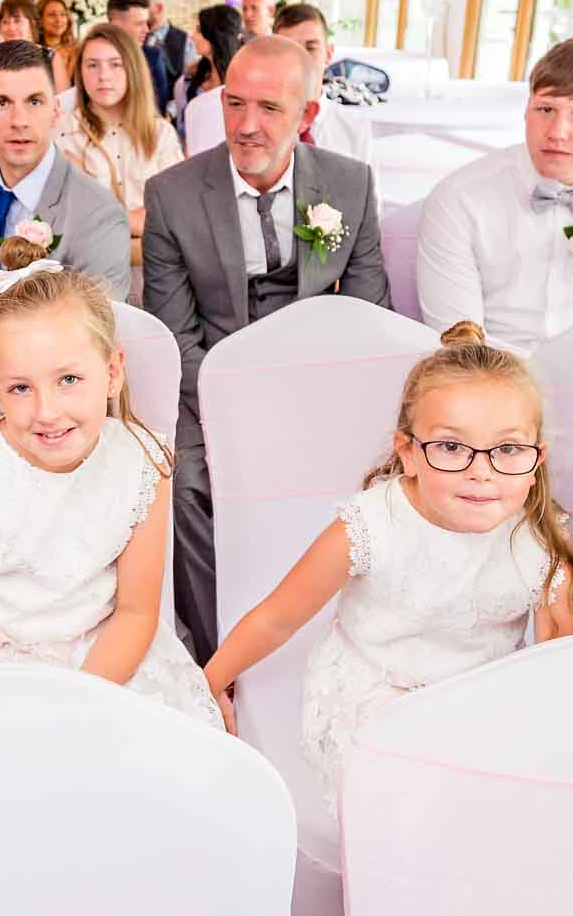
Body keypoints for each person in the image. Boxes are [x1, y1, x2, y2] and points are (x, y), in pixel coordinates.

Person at [205, 323, 573, 807]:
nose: (481, 470)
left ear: (536, 460)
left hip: (479, 701)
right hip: (374, 694)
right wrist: (210, 684)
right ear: (408, 452)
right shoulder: (371, 526)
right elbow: (277, 617)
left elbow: (561, 672)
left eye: (508, 448)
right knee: (404, 803)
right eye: (451, 446)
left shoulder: (540, 546)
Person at [142, 34, 391, 661]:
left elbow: (369, 314)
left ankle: (335, 638)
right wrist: (242, 406)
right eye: (234, 104)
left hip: (322, 385)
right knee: (184, 483)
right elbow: (175, 333)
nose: (246, 126)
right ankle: (216, 646)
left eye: (270, 109)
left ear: (307, 115)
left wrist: (307, 403)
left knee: (376, 477)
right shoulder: (172, 194)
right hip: (209, 386)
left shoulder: (350, 184)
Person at [0, 237, 223, 727]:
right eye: (20, 388)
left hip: (106, 662)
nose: (46, 412)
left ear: (113, 371)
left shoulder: (144, 461)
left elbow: (136, 611)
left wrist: (77, 706)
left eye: (69, 380)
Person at [416, 35, 573, 353]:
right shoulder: (460, 198)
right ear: (526, 109)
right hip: (487, 377)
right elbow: (458, 342)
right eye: (546, 109)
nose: (557, 131)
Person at [0, 40, 132, 311]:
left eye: (34, 101)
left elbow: (94, 328)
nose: (19, 120)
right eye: (2, 102)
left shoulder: (98, 213)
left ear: (55, 112)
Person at [58, 24, 185, 304]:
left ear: (132, 69)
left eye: (115, 65)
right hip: (87, 280)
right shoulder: (63, 134)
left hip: (157, 278)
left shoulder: (160, 134)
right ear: (80, 72)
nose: (103, 76)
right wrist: (137, 221)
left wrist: (110, 222)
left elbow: (174, 217)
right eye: (92, 65)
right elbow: (75, 223)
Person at [272, 3, 377, 166]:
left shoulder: (354, 129)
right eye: (290, 49)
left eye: (310, 48)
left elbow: (368, 190)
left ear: (328, 54)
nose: (301, 59)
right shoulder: (258, 126)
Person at [176, 4, 246, 150]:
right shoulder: (187, 82)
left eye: (199, 31)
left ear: (216, 36)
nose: (192, 36)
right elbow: (183, 133)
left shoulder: (249, 81)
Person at [105, 0, 174, 115]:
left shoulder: (153, 56)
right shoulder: (93, 57)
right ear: (116, 25)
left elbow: (159, 108)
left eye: (146, 23)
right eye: (139, 24)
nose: (146, 30)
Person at [140, 0, 194, 78]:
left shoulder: (185, 42)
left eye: (142, 5)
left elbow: (187, 83)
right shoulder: (133, 35)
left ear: (159, 8)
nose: (137, 9)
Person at [37, 0, 79, 90]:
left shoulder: (76, 49)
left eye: (63, 14)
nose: (58, 20)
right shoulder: (33, 50)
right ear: (40, 20)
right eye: (52, 15)